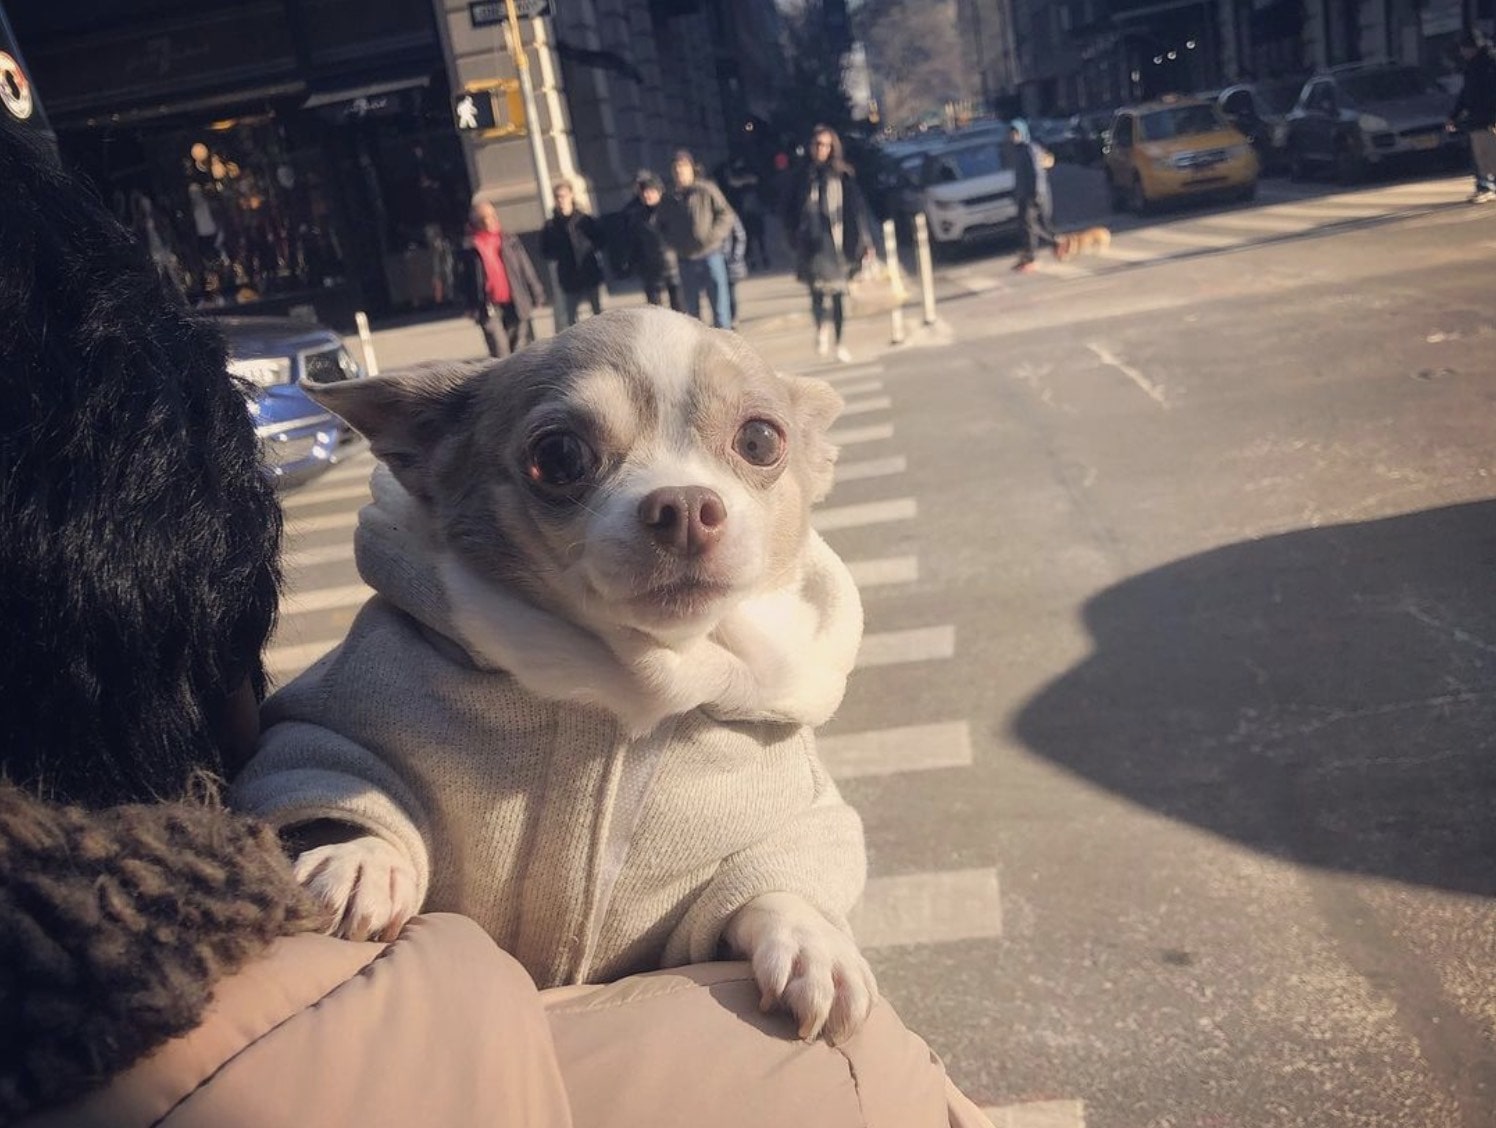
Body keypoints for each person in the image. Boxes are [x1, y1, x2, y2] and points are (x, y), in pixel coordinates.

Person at [0, 115, 994, 1128]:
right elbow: (329, 750)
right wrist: (364, 831)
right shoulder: (402, 670)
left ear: (805, 462)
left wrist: (782, 906)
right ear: (432, 458)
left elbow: (792, 833)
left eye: (752, 445)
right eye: (567, 462)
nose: (685, 507)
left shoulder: (766, 707)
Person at [782, 124, 875, 364]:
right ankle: (821, 329)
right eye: (816, 145)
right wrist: (792, 235)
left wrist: (866, 241)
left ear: (833, 147)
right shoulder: (803, 175)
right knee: (816, 293)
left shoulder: (842, 174)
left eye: (825, 145)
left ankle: (839, 342)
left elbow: (857, 210)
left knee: (838, 295)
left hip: (838, 241)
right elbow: (789, 208)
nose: (820, 150)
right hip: (811, 242)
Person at [460, 199, 547, 358]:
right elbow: (463, 279)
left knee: (521, 348)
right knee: (500, 350)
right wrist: (468, 305)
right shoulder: (470, 248)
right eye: (485, 218)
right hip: (488, 305)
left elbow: (525, 267)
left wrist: (537, 292)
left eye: (493, 216)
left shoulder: (509, 241)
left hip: (515, 301)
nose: (491, 220)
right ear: (476, 222)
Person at [660, 148, 736, 329]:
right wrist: (674, 243)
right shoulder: (669, 198)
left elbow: (726, 214)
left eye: (684, 168)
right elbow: (661, 226)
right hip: (685, 260)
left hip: (711, 255)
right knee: (692, 313)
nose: (680, 173)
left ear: (692, 169)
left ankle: (723, 347)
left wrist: (712, 236)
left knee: (719, 309)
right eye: (676, 169)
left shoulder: (706, 190)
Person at [540, 178, 607, 328]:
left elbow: (601, 239)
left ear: (571, 196)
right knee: (571, 317)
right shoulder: (551, 226)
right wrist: (560, 253)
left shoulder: (584, 220)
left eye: (563, 196)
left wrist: (589, 250)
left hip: (589, 271)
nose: (561, 200)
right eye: (557, 197)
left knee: (597, 312)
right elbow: (546, 251)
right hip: (568, 275)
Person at [1446, 29, 1496, 204]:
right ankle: (1484, 185)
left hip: (1489, 117)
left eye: (1464, 48)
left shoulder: (1490, 63)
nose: (1462, 52)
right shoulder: (1472, 66)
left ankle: (1487, 186)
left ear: (1474, 47)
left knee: (1489, 153)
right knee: (1480, 154)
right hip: (1476, 117)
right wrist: (1454, 115)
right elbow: (1466, 93)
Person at [621, 169, 681, 311]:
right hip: (649, 268)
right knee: (655, 310)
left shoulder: (671, 208)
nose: (647, 195)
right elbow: (633, 242)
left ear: (659, 191)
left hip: (673, 264)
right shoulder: (635, 216)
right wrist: (630, 262)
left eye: (650, 191)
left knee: (679, 306)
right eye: (643, 192)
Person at [1008, 119, 1058, 273]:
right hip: (1024, 194)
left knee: (1030, 226)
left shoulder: (1030, 148)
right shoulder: (1018, 150)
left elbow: (1036, 173)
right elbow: (1020, 176)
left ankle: (1033, 256)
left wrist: (1036, 193)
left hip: (1033, 194)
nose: (1013, 136)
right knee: (1026, 226)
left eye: (1016, 133)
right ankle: (1051, 245)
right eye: (1011, 133)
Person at [723, 210, 749, 330]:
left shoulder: (729, 215)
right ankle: (725, 319)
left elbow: (740, 235)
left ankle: (732, 318)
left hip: (728, 261)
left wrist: (735, 256)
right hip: (715, 256)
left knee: (730, 292)